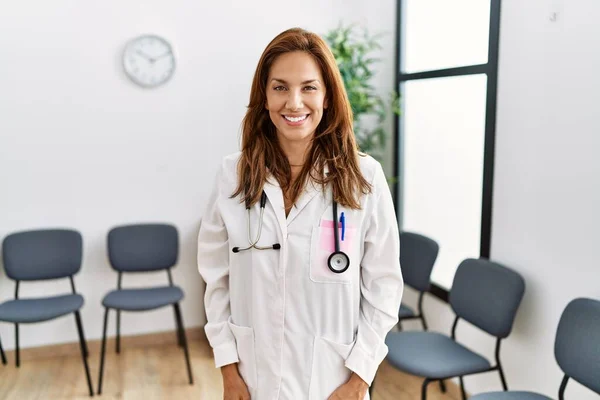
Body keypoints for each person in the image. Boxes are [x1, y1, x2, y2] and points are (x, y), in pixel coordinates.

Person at [197, 27, 403, 400]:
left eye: (308, 87)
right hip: (253, 377)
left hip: (333, 382)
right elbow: (216, 281)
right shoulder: (232, 175)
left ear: (327, 98)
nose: (294, 103)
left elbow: (384, 287)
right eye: (280, 87)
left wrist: (359, 380)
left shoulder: (364, 178)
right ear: (264, 97)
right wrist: (228, 368)